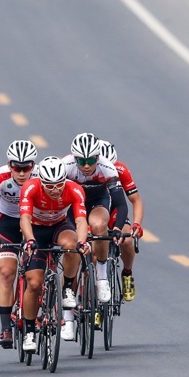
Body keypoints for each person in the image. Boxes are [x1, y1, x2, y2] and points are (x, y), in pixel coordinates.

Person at [18, 156, 90, 351]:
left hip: (59, 225)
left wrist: (83, 242)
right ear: (41, 182)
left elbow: (81, 221)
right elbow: (24, 218)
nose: (55, 189)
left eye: (59, 184)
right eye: (49, 186)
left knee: (72, 245)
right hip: (36, 229)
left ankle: (67, 287)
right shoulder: (30, 188)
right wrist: (30, 240)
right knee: (33, 283)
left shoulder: (74, 189)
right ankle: (30, 331)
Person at [63, 133, 129, 310]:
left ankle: (101, 276)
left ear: (98, 158)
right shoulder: (65, 167)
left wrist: (116, 228)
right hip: (72, 205)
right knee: (72, 251)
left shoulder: (107, 168)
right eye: (81, 161)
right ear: (74, 158)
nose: (86, 166)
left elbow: (121, 204)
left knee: (99, 226)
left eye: (91, 161)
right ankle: (67, 314)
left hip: (97, 201)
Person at [0, 140, 38, 349]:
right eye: (17, 167)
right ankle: (6, 326)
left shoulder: (42, 176)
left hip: (34, 222)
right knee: (7, 272)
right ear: (9, 165)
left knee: (36, 274)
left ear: (33, 166)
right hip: (6, 222)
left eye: (27, 167)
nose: (22, 172)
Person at [98, 139, 144, 302]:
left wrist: (136, 224)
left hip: (115, 210)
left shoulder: (121, 169)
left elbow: (135, 200)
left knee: (127, 240)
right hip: (95, 210)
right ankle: (88, 295)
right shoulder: (86, 170)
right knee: (91, 250)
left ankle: (127, 273)